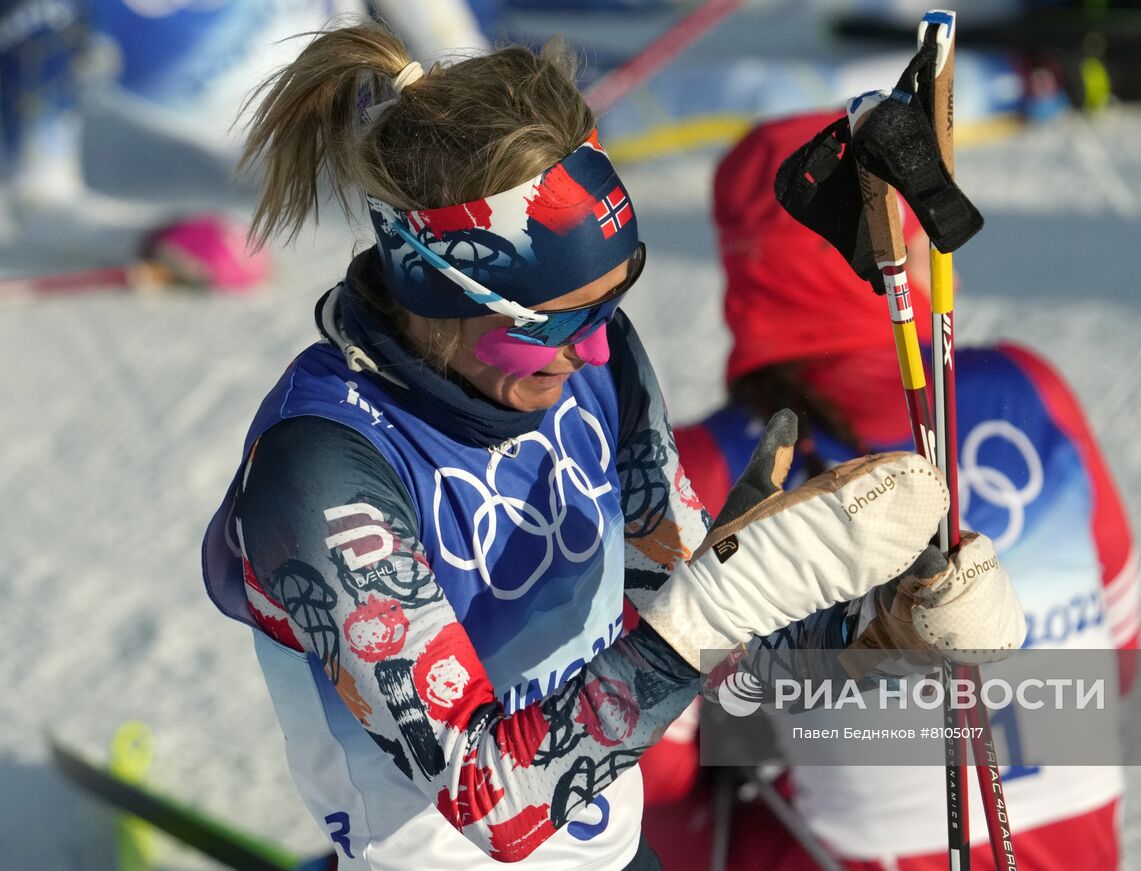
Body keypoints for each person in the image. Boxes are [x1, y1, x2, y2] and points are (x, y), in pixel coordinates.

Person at [200, 24, 1026, 870]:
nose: (593, 349)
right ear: (434, 284)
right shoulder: (321, 467)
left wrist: (887, 630)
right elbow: (497, 803)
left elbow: (720, 659)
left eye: (608, 303)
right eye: (553, 324)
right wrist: (716, 604)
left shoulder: (592, 364)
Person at [641, 111, 1141, 871]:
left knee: (620, 804)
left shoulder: (714, 465)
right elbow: (1121, 664)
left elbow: (652, 769)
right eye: (920, 243)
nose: (956, 276)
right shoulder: (1027, 386)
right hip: (1079, 852)